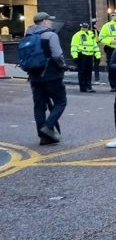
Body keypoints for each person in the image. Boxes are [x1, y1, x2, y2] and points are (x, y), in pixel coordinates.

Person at [24, 12, 68, 145]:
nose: (50, 22)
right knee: (61, 102)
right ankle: (47, 127)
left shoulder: (28, 35)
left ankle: (43, 137)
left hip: (34, 77)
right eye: (49, 20)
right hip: (52, 76)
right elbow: (57, 55)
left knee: (39, 106)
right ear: (43, 21)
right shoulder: (50, 35)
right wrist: (63, 67)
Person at [70, 22, 100, 92]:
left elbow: (95, 45)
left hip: (90, 55)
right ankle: (83, 87)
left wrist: (98, 55)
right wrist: (75, 56)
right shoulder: (77, 35)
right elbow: (74, 46)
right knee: (82, 72)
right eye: (84, 27)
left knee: (89, 71)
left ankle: (89, 86)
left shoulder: (91, 34)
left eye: (86, 27)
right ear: (81, 27)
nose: (85, 28)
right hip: (82, 55)